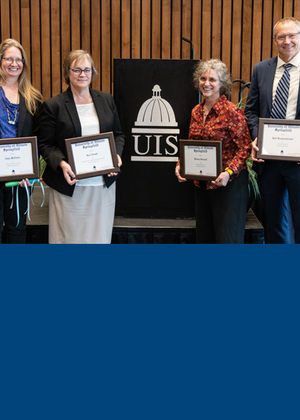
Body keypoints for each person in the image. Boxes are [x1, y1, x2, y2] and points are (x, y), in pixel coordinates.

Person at [38, 50, 125, 244]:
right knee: (68, 239)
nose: (82, 74)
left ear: (93, 72)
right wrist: (61, 163)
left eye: (87, 69)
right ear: (67, 73)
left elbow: (118, 135)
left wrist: (116, 155)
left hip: (103, 186)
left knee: (99, 238)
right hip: (70, 187)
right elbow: (45, 144)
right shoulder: (54, 105)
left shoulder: (106, 100)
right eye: (76, 69)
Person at [175, 59, 251, 244]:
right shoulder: (196, 111)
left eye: (212, 80)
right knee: (205, 238)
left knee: (227, 240)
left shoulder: (232, 112)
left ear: (222, 83)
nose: (206, 83)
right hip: (202, 185)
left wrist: (228, 172)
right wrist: (181, 164)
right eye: (203, 78)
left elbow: (244, 148)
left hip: (228, 186)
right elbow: (192, 144)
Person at [245, 17, 300, 244]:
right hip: (268, 160)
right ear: (274, 40)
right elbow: (251, 111)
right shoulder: (261, 69)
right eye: (281, 37)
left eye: (292, 35)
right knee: (274, 222)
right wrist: (257, 138)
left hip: (298, 161)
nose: (287, 41)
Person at [0, 38, 43, 243]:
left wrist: (31, 170)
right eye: (9, 58)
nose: (14, 63)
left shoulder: (32, 97)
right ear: (1, 61)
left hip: (20, 176)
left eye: (19, 59)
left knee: (17, 227)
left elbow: (39, 136)